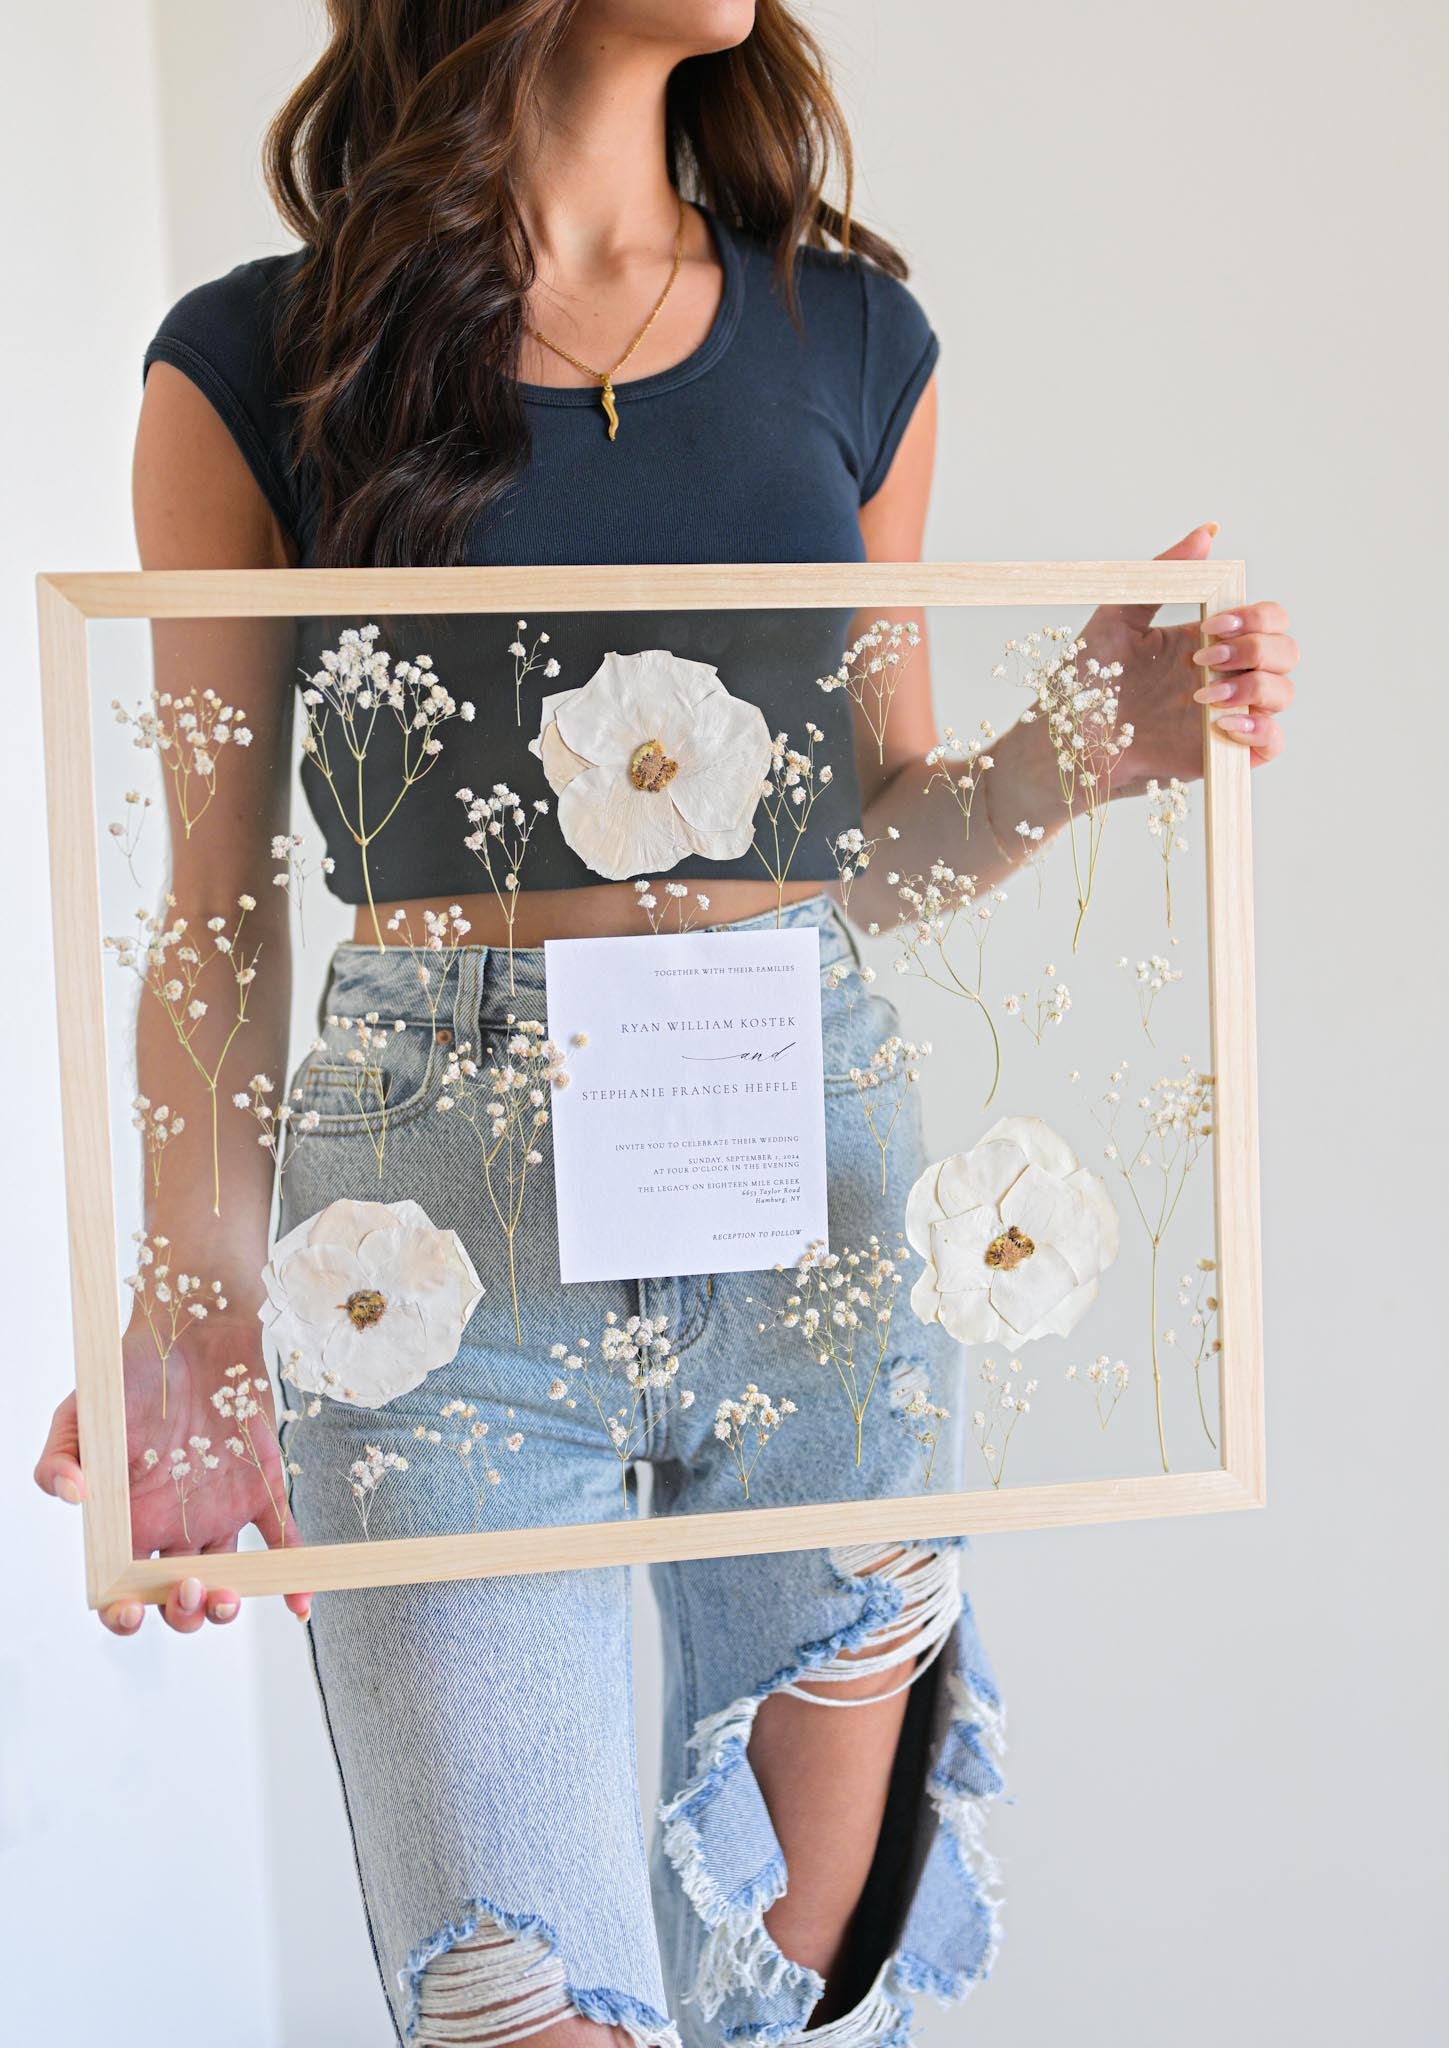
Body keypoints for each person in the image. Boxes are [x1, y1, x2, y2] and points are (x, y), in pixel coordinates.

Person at [34, 5, 1298, 2044]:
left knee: (798, 2004)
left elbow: (870, 853)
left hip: (814, 1213)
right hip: (425, 1269)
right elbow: (211, 901)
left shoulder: (852, 341)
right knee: (516, 2003)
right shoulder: (256, 360)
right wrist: (190, 1305)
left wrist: (1091, 738)